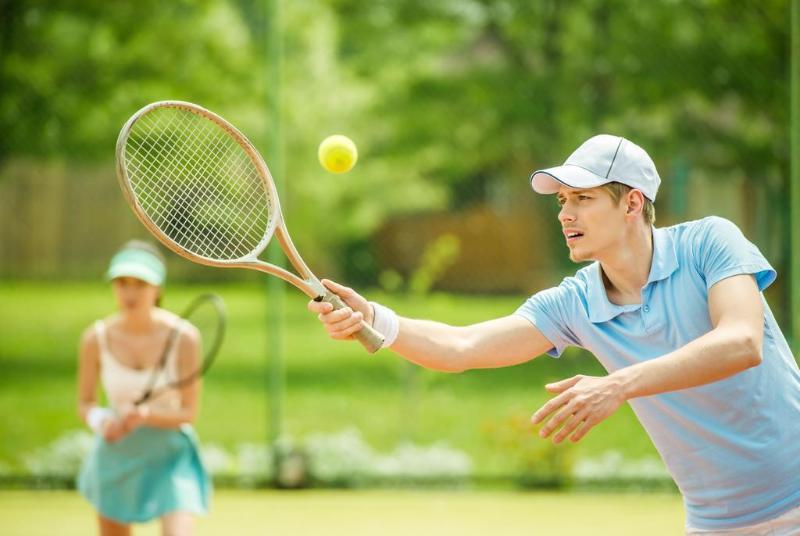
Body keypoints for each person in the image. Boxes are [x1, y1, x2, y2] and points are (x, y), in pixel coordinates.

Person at [308, 135, 800, 535]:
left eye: (583, 199)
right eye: (563, 201)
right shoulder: (574, 301)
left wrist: (619, 385)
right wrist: (374, 316)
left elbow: (741, 342)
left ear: (631, 203)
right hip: (716, 523)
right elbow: (461, 348)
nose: (565, 214)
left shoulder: (710, 242)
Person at [77, 240, 210, 536]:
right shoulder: (94, 338)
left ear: (158, 288)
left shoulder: (185, 337)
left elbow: (188, 413)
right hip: (115, 455)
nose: (130, 293)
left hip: (170, 457)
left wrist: (148, 414)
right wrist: (102, 421)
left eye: (140, 283)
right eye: (122, 283)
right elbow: (85, 403)